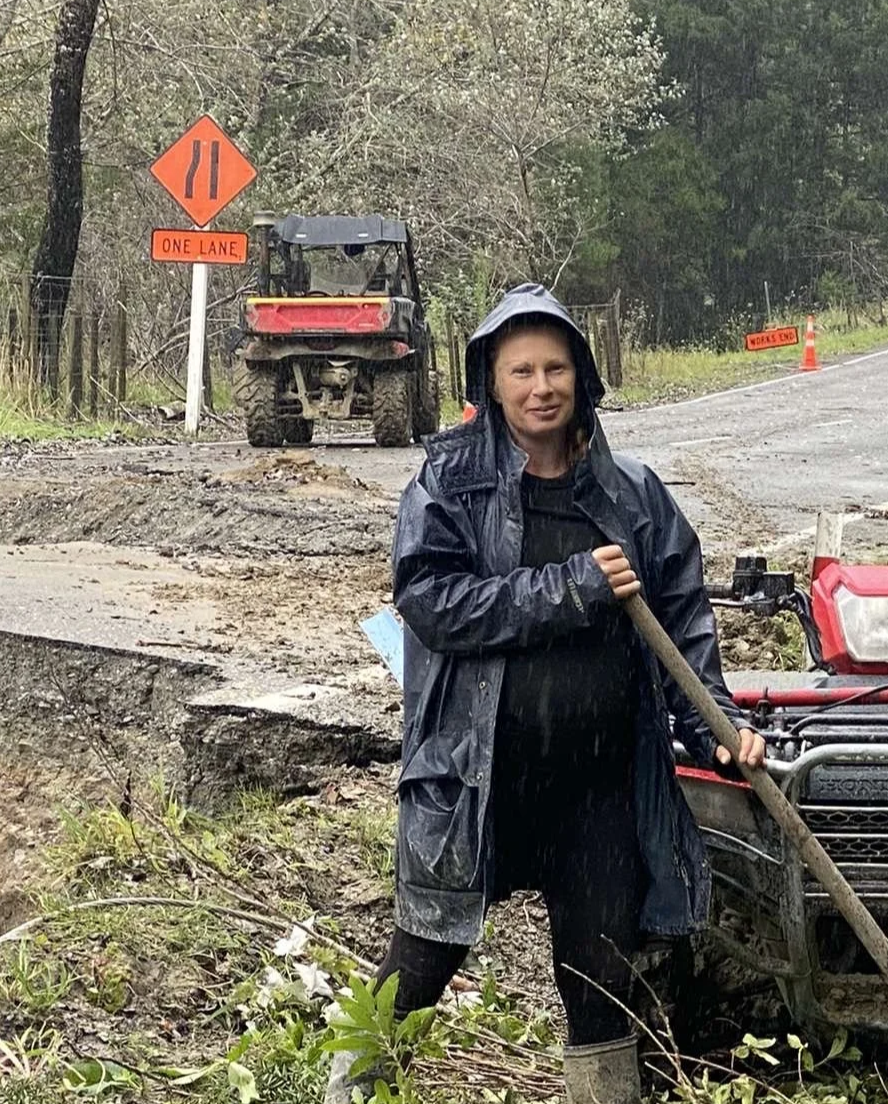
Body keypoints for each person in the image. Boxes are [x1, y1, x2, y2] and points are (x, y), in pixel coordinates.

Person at [327, 283, 766, 1104]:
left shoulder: (632, 493)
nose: (540, 387)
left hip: (596, 791)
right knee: (420, 957)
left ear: (582, 377)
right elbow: (430, 603)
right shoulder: (448, 483)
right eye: (520, 370)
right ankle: (345, 1090)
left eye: (555, 367)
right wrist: (566, 588)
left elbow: (681, 625)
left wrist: (717, 727)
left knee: (600, 981)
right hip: (473, 779)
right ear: (490, 382)